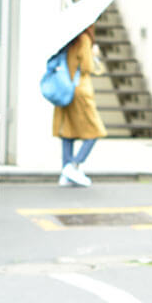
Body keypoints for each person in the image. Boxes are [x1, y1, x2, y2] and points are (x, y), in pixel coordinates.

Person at [53, 25, 106, 186]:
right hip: (81, 90)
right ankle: (73, 166)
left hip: (65, 87)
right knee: (95, 130)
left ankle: (65, 173)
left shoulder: (66, 38)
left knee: (67, 131)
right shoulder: (83, 39)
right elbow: (87, 67)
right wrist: (94, 54)